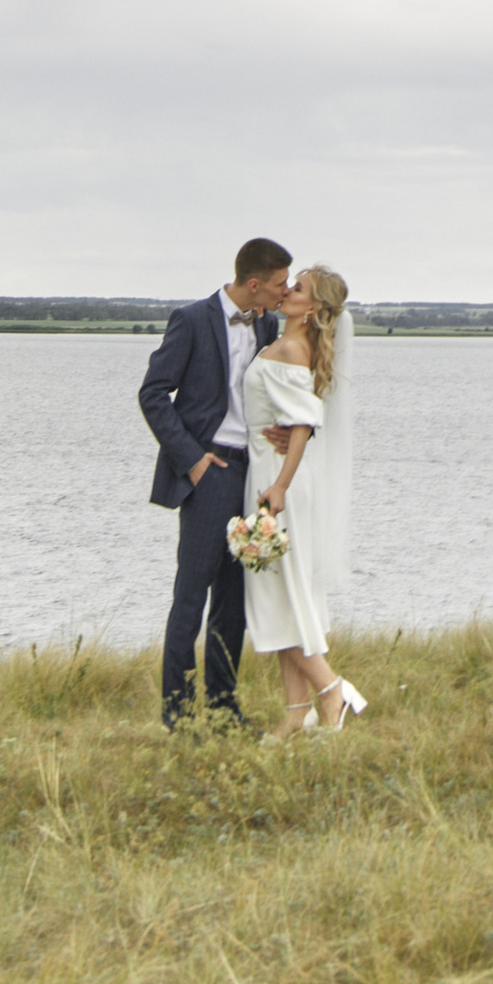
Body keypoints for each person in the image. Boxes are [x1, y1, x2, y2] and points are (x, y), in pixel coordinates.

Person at [138, 241, 289, 727]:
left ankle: (224, 708)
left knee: (234, 603)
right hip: (210, 475)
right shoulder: (191, 319)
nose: (285, 292)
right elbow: (153, 393)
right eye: (279, 283)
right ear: (254, 284)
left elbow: (278, 389)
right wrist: (192, 461)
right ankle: (178, 716)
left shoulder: (267, 323)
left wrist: (287, 431)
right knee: (191, 596)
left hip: (253, 473)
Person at [240, 261, 367, 734]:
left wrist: (279, 487)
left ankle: (332, 692)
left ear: (312, 307)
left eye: (299, 288)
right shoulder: (285, 342)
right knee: (288, 594)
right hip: (271, 469)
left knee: (280, 596)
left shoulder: (293, 347)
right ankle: (296, 714)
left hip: (280, 480)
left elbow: (303, 425)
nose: (288, 291)